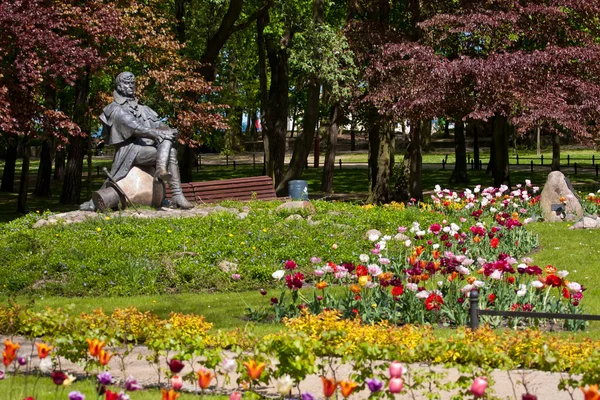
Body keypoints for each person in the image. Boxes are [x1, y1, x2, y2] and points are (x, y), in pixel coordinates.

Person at [81, 71, 192, 210]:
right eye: (127, 83)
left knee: (169, 145)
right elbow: (135, 128)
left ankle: (166, 178)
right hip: (130, 151)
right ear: (119, 86)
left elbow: (157, 123)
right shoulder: (114, 109)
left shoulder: (143, 108)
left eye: (132, 83)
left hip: (147, 149)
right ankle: (175, 193)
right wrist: (160, 133)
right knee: (169, 148)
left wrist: (167, 129)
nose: (131, 86)